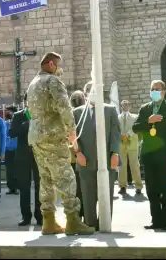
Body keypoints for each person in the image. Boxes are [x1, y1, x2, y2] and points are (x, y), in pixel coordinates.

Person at [26, 52, 95, 236]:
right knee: (66, 177)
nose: (60, 69)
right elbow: (64, 108)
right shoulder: (53, 81)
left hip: (36, 137)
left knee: (46, 178)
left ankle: (48, 222)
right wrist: (72, 134)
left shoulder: (32, 83)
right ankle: (73, 221)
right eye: (58, 65)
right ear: (50, 64)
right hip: (53, 137)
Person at [133, 79, 166, 231]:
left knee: (165, 188)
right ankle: (156, 220)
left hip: (165, 155)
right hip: (148, 155)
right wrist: (148, 121)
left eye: (157, 89)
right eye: (152, 89)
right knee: (151, 190)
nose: (154, 91)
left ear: (164, 91)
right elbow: (135, 128)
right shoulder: (145, 108)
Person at [72, 81, 120, 229]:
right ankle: (90, 224)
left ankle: (105, 224)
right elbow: (73, 135)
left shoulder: (110, 110)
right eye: (89, 90)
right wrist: (78, 153)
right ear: (85, 94)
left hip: (106, 160)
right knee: (88, 196)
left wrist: (115, 153)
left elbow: (115, 134)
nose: (92, 93)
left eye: (96, 90)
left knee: (106, 194)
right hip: (85, 160)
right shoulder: (77, 112)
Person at [9, 98, 42, 226]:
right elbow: (12, 132)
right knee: (24, 188)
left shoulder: (40, 114)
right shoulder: (18, 116)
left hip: (39, 155)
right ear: (25, 101)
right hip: (23, 157)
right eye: (29, 99)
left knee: (40, 187)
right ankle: (26, 216)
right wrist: (26, 125)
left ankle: (40, 216)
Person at [119, 100, 143, 196]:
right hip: (121, 144)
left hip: (132, 143)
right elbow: (116, 128)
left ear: (130, 106)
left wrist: (128, 134)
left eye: (127, 104)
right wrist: (122, 135)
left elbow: (136, 128)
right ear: (121, 106)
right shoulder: (117, 118)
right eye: (123, 104)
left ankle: (138, 186)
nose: (125, 106)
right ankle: (122, 186)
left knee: (135, 165)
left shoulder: (135, 117)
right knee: (122, 166)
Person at [70, 90, 86, 220]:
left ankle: (78, 215)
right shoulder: (85, 113)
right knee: (81, 189)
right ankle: (81, 214)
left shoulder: (70, 114)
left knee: (76, 189)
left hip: (75, 157)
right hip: (80, 156)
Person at [4, 107, 19, 195]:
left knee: (17, 169)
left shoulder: (18, 123)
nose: (8, 113)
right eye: (7, 112)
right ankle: (11, 188)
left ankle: (16, 187)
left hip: (17, 149)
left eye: (9, 112)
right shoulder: (5, 123)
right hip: (8, 149)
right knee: (9, 170)